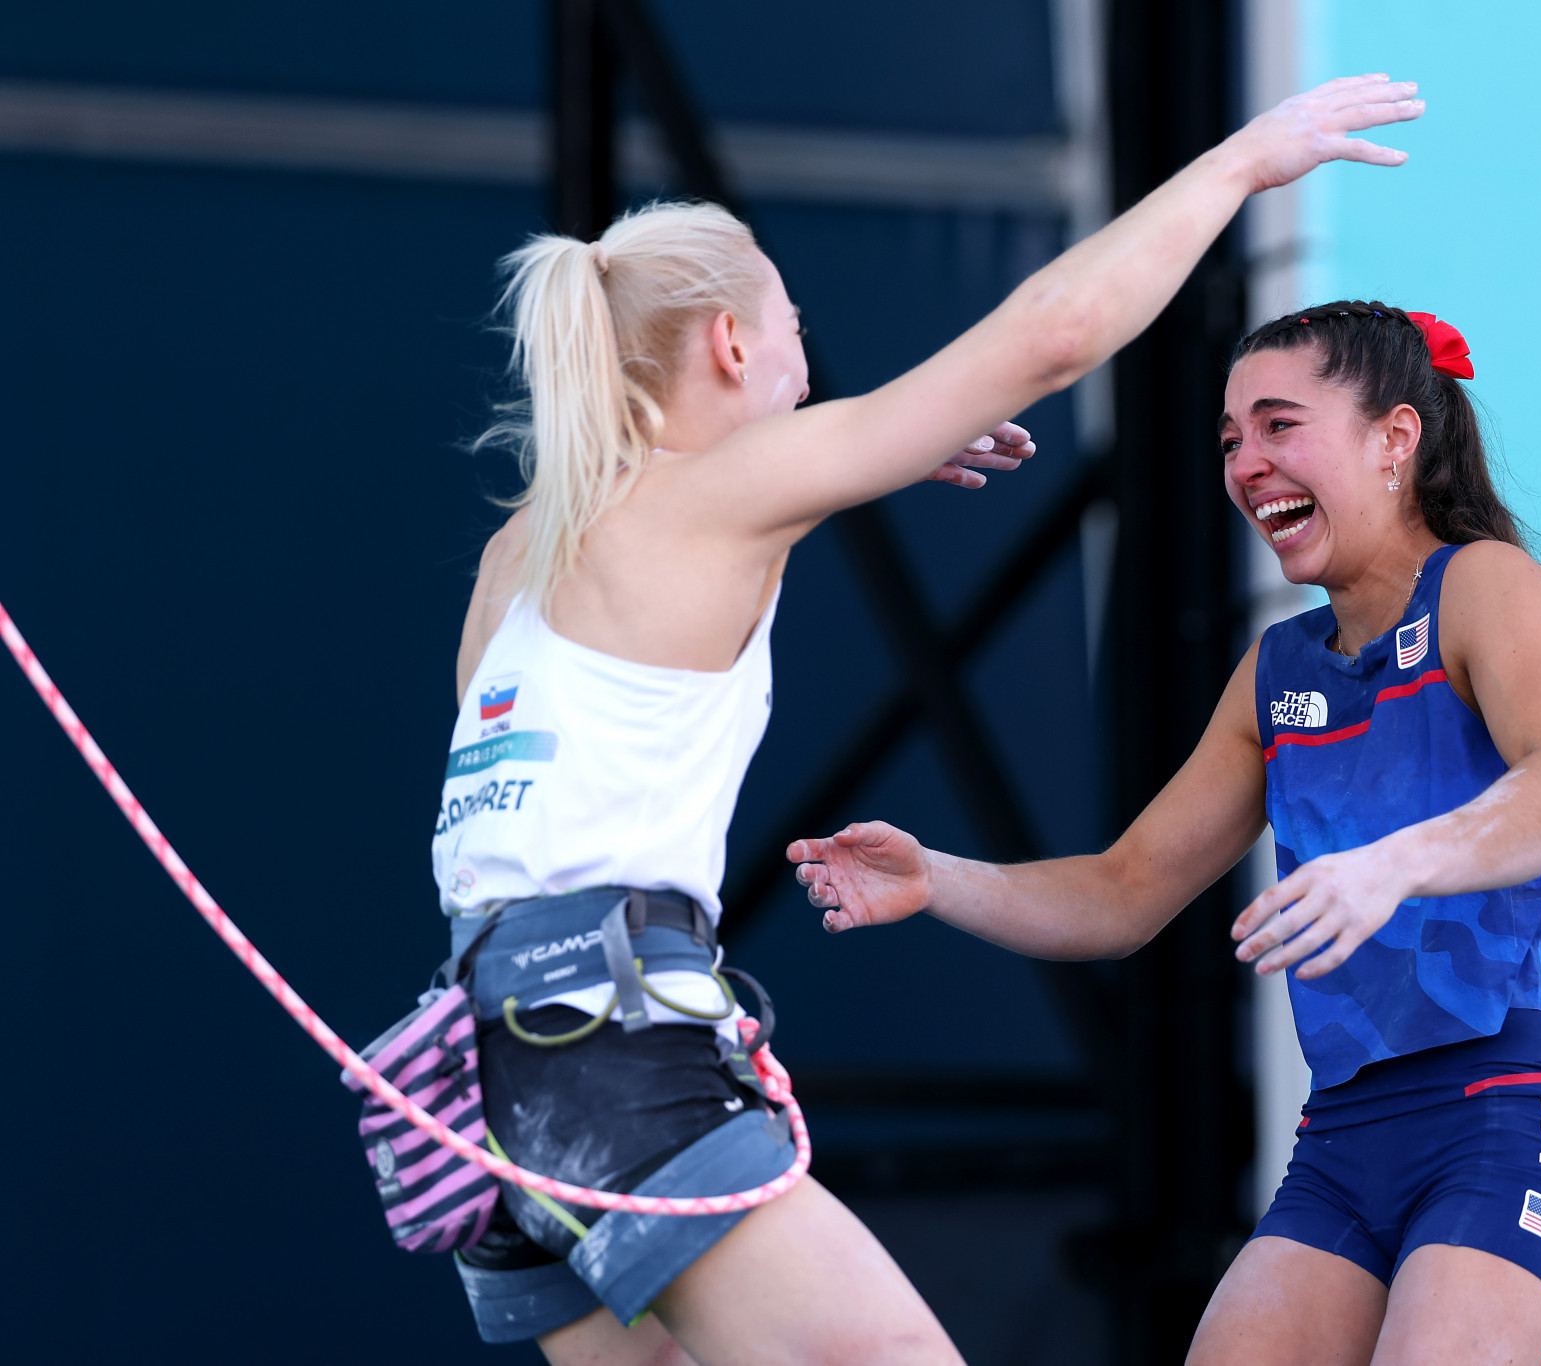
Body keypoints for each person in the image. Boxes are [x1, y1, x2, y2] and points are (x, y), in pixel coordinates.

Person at [427, 76, 1426, 1365]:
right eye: (796, 320)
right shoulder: (711, 501)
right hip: (613, 1050)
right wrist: (1233, 166)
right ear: (735, 346)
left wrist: (867, 456)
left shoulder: (524, 548)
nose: (805, 348)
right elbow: (1052, 335)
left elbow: (620, 664)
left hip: (487, 1088)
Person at [789, 300, 1541, 1363]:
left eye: (1278, 425)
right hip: (1341, 1141)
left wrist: (1390, 867)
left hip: (1499, 1115)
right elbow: (1125, 889)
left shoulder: (1486, 586)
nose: (1245, 463)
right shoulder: (1276, 670)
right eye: (1229, 438)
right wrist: (938, 879)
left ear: (1394, 440)